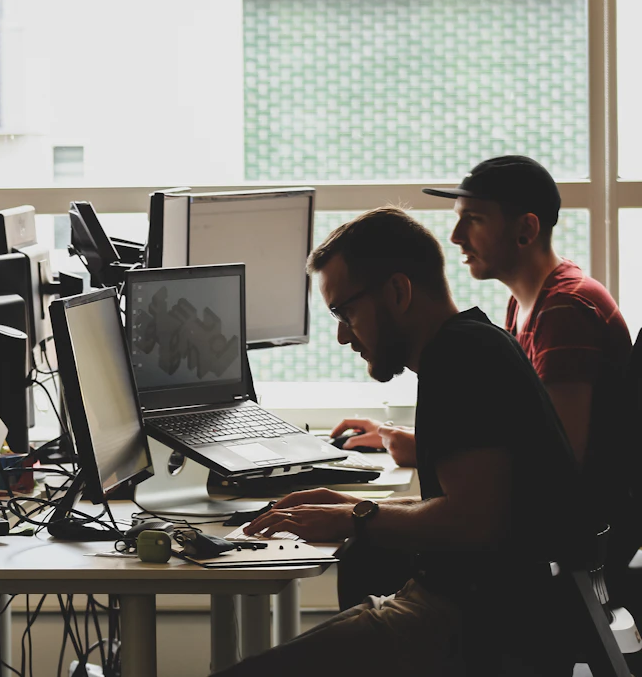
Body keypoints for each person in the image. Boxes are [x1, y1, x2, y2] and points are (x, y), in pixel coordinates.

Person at [215, 207, 585, 677]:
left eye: (344, 310)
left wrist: (355, 517)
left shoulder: (461, 358)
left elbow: (475, 522)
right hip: (484, 618)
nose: (342, 335)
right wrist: (347, 505)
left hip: (471, 630)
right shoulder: (475, 343)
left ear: (397, 291)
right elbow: (469, 503)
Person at [333, 156, 637, 601]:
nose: (456, 236)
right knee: (371, 551)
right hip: (544, 536)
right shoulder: (526, 306)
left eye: (473, 220)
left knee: (370, 554)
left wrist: (419, 449)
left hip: (563, 557)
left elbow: (560, 458)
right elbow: (518, 437)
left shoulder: (564, 311)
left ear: (526, 230)